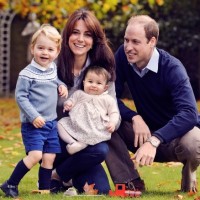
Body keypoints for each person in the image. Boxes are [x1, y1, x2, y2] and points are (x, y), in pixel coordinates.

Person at [105, 15, 200, 193]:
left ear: (152, 41)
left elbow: (189, 113)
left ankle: (188, 179)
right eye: (126, 40)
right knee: (104, 120)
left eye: (135, 42)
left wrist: (155, 140)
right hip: (142, 133)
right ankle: (130, 183)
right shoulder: (122, 57)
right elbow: (108, 98)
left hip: (174, 139)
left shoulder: (172, 68)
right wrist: (134, 117)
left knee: (195, 141)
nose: (128, 47)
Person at [50, 8, 120, 195]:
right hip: (56, 139)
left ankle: (59, 175)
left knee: (101, 187)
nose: (80, 39)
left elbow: (113, 109)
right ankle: (63, 172)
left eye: (87, 35)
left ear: (94, 41)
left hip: (87, 143)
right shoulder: (53, 65)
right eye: (75, 32)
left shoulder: (102, 70)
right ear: (67, 36)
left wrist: (107, 123)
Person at [0, 24, 68, 198]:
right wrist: (34, 116)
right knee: (36, 155)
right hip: (34, 124)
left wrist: (61, 85)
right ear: (32, 48)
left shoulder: (52, 69)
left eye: (50, 49)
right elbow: (21, 97)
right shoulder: (26, 74)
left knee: (49, 157)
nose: (45, 53)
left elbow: (55, 80)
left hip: (51, 123)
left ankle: (44, 189)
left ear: (57, 51)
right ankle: (10, 184)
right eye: (40, 48)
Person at [58, 65, 120, 155]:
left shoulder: (107, 99)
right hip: (76, 124)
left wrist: (113, 123)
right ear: (84, 83)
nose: (93, 85)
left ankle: (83, 143)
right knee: (60, 124)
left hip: (94, 127)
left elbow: (114, 112)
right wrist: (68, 104)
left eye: (98, 83)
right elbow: (71, 101)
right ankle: (73, 143)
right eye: (90, 81)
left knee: (92, 135)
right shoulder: (79, 94)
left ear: (105, 87)